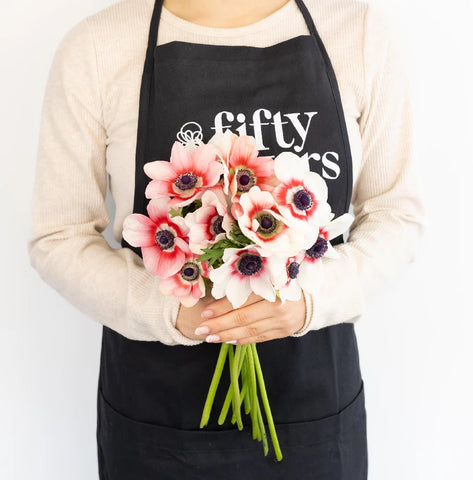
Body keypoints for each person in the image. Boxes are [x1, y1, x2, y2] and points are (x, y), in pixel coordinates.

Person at [28, 0, 425, 478]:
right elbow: (59, 236)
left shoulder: (357, 34)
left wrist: (307, 299)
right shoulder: (97, 46)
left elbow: (395, 214)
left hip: (314, 413)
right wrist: (174, 311)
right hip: (155, 418)